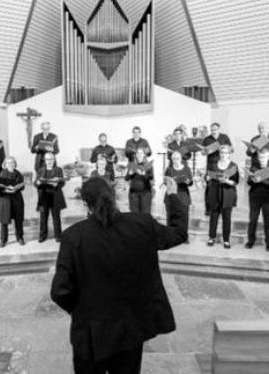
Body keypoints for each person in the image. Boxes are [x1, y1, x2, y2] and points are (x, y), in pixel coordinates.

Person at [51, 177, 188, 374]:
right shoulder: (143, 224)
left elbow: (60, 291)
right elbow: (179, 232)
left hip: (91, 334)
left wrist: (81, 310)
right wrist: (173, 195)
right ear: (114, 196)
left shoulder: (74, 236)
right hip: (130, 329)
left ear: (84, 204)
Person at [245, 148, 269, 252]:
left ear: (268, 157)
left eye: (263, 157)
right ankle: (250, 241)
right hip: (254, 196)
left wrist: (262, 180)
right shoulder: (254, 167)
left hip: (268, 197)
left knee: (267, 220)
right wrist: (253, 180)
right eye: (260, 157)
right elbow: (248, 182)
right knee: (253, 220)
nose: (261, 159)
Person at [205, 144, 239, 248]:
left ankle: (226, 240)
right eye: (222, 152)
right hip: (214, 192)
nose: (223, 155)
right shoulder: (213, 164)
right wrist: (207, 178)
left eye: (226, 153)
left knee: (226, 218)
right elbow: (207, 176)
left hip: (227, 193)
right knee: (213, 217)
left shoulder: (233, 166)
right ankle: (212, 237)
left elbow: (236, 182)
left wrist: (227, 181)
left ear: (229, 154)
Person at [35, 152, 66, 243]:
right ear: (45, 160)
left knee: (56, 217)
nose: (49, 161)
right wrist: (37, 183)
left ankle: (58, 235)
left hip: (55, 196)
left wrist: (57, 184)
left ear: (54, 160)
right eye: (47, 159)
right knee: (43, 217)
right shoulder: (40, 170)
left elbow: (62, 182)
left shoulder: (58, 169)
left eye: (51, 159)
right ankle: (42, 235)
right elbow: (36, 182)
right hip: (43, 197)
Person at [163, 151, 193, 241]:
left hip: (183, 194)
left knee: (183, 217)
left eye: (177, 159)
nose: (175, 160)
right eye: (173, 159)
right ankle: (171, 236)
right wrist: (170, 181)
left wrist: (187, 181)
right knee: (171, 216)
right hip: (171, 195)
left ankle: (184, 236)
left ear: (181, 159)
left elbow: (191, 182)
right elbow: (165, 182)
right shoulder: (169, 169)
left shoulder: (187, 168)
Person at [0, 156, 25, 247]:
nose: (11, 164)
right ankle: (3, 240)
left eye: (12, 162)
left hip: (16, 199)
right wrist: (5, 190)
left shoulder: (18, 174)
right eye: (8, 163)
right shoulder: (1, 174)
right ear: (5, 164)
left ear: (15, 163)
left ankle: (20, 237)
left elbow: (22, 186)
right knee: (4, 221)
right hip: (5, 200)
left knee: (18, 220)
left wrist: (17, 187)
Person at [126, 147, 153, 214]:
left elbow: (151, 177)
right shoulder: (132, 164)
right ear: (136, 154)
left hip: (146, 193)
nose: (139, 154)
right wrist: (129, 174)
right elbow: (126, 178)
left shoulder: (149, 165)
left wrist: (144, 174)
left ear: (144, 154)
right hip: (133, 193)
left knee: (145, 215)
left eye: (141, 153)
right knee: (135, 215)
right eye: (138, 153)